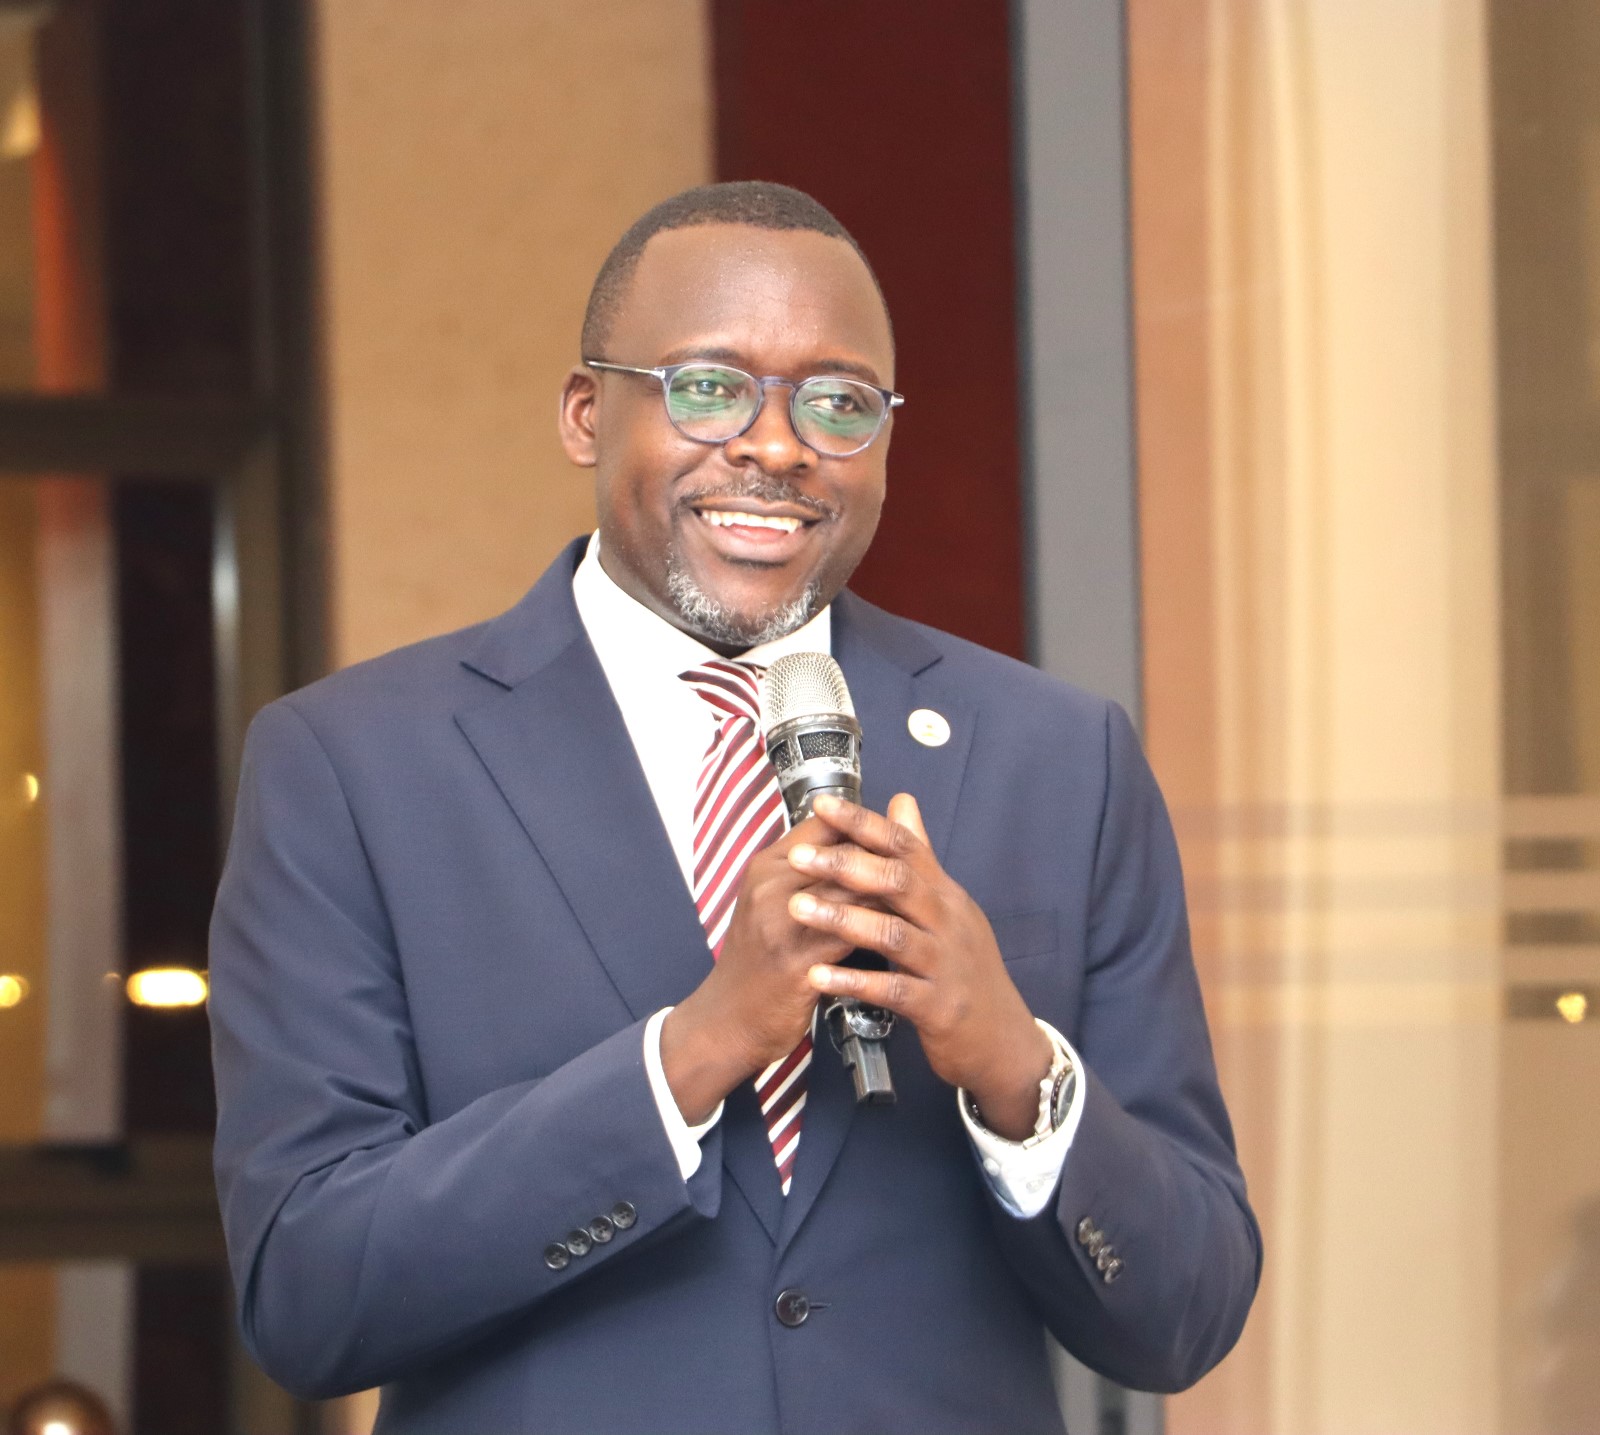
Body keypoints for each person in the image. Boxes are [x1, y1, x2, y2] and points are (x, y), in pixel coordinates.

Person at [210, 181, 1260, 1435]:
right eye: (708, 386)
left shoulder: (1058, 757)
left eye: (838, 402)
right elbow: (308, 1292)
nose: (776, 446)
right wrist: (693, 1051)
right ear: (587, 413)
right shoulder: (354, 764)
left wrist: (1014, 1067)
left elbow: (1186, 1311)